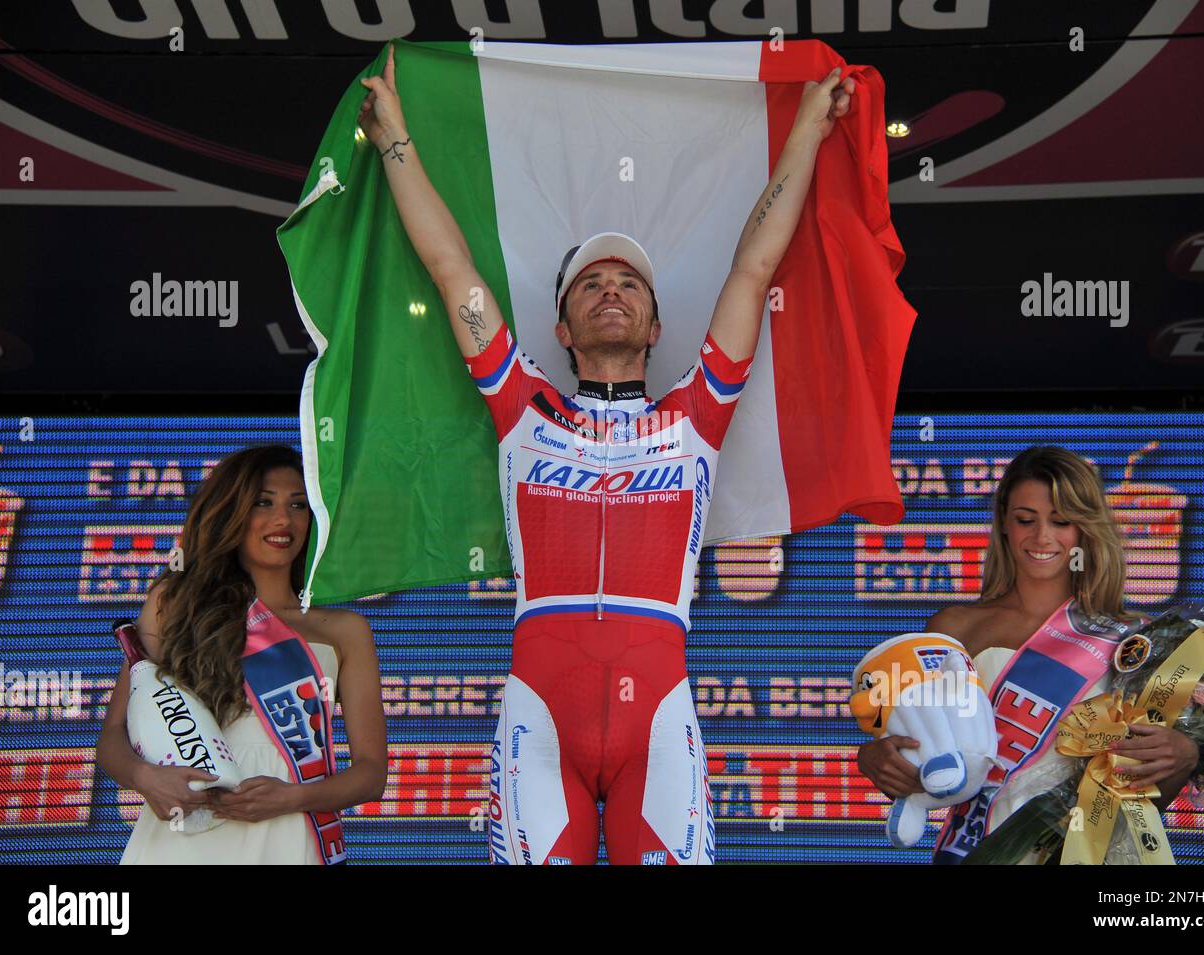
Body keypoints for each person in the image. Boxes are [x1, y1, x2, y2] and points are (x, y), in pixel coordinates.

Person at [358, 46, 854, 864]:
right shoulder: (523, 408)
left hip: (657, 718)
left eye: (630, 282)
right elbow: (452, 273)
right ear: (562, 328)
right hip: (538, 716)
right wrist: (396, 144)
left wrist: (804, 128)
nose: (612, 289)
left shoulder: (695, 418)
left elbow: (754, 263)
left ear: (658, 326)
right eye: (590, 284)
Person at [857, 445, 1200, 863]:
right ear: (1004, 522)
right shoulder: (953, 629)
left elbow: (1141, 799)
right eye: (1026, 520)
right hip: (976, 849)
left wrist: (1183, 757)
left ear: (1084, 530)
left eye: (1061, 521)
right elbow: (910, 743)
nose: (1042, 537)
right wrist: (876, 757)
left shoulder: (1133, 642)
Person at [97, 446, 386, 864]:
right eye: (263, 502)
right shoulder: (176, 605)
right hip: (187, 837)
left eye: (298, 505)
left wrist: (291, 797)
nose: (283, 519)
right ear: (233, 512)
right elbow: (113, 735)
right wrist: (147, 778)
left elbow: (371, 775)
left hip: (286, 836)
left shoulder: (345, 631)